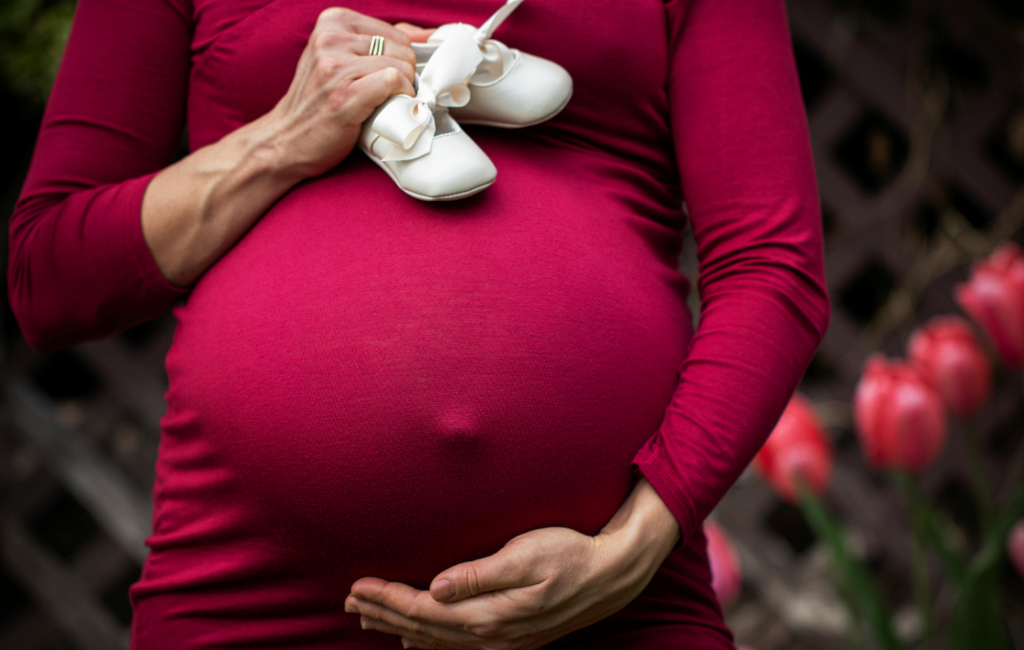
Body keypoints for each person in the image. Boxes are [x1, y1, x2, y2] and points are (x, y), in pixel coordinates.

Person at [7, 0, 830, 647]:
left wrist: (634, 547)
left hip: (610, 609)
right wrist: (281, 140)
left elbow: (770, 264)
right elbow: (51, 276)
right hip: (249, 599)